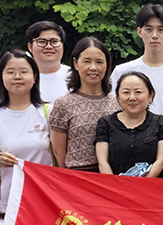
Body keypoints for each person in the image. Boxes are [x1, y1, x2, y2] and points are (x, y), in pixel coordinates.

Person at [0, 50, 54, 214]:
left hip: (45, 198)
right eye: (10, 72)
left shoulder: (49, 112)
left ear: (34, 77)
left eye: (24, 72)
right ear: (1, 77)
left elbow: (60, 155)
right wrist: (0, 159)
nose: (17, 77)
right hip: (7, 199)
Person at [109, 3, 163, 123]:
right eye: (149, 29)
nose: (155, 35)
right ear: (139, 32)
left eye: (160, 30)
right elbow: (112, 111)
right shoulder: (122, 71)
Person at [48, 36, 120, 171]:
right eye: (87, 61)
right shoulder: (63, 104)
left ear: (106, 65)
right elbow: (58, 152)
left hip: (112, 174)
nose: (93, 68)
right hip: (78, 175)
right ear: (75, 63)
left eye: (99, 62)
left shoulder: (118, 102)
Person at [95, 71, 163, 177]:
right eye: (126, 92)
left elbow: (161, 161)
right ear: (118, 96)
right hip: (114, 185)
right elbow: (103, 162)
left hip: (151, 184)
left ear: (150, 95)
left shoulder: (160, 123)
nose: (132, 98)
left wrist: (141, 184)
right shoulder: (105, 123)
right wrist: (114, 185)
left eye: (138, 92)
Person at [26, 21, 70, 104]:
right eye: (42, 42)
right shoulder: (20, 79)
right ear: (30, 47)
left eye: (54, 41)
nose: (49, 46)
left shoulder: (76, 77)